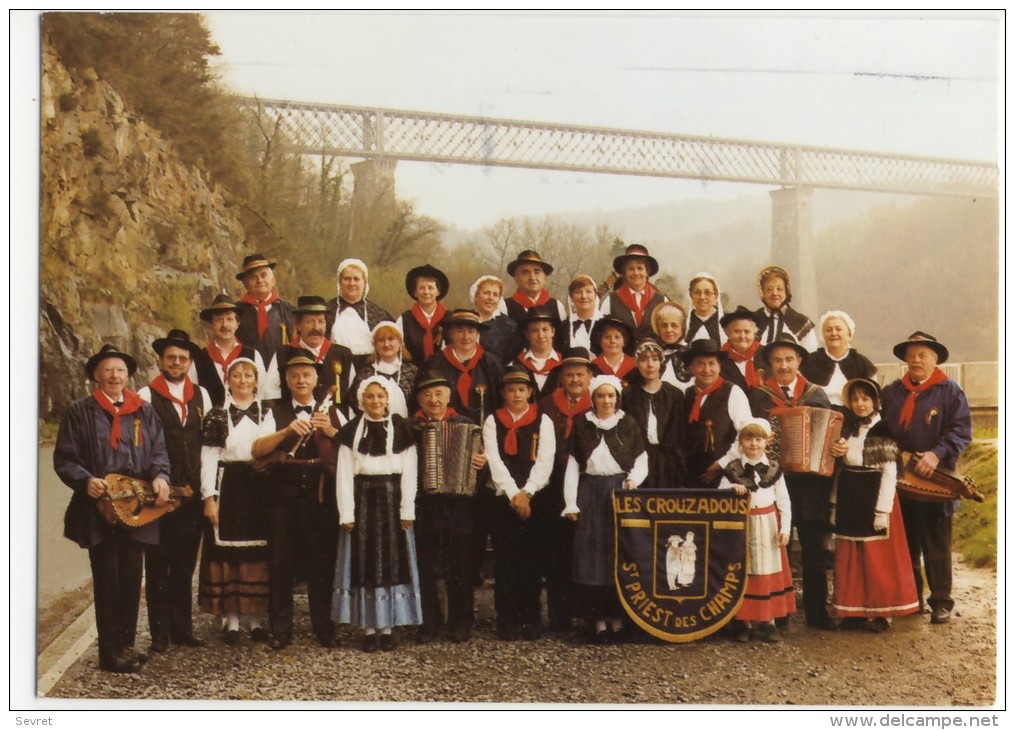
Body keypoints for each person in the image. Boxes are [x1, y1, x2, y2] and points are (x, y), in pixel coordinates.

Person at [55, 344, 171, 673]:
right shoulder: (80, 411)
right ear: (96, 375)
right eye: (107, 370)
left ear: (127, 375)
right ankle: (110, 652)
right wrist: (84, 480)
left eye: (120, 370)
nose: (114, 376)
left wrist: (161, 477)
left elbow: (158, 452)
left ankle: (126, 645)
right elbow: (64, 457)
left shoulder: (144, 411)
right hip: (100, 505)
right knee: (108, 578)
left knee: (133, 576)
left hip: (136, 504)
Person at [251, 352, 343, 649]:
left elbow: (351, 447)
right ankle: (281, 629)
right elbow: (257, 449)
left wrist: (330, 430)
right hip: (283, 497)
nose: (301, 380)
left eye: (306, 375)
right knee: (281, 564)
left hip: (320, 496)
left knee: (322, 564)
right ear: (287, 381)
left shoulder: (333, 410)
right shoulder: (274, 411)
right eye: (294, 376)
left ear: (317, 379)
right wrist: (287, 430)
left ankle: (323, 627)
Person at [880, 332, 972, 625]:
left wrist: (935, 454)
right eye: (912, 354)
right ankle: (911, 598)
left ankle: (941, 601)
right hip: (900, 477)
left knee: (936, 542)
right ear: (905, 359)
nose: (916, 359)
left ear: (935, 358)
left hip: (936, 478)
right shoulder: (893, 391)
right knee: (905, 542)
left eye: (923, 354)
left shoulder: (950, 391)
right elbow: (880, 427)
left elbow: (960, 431)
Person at [748, 333, 836, 630]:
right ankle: (779, 610)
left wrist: (834, 446)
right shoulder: (760, 395)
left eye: (789, 359)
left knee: (814, 546)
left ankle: (816, 611)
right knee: (778, 544)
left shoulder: (816, 394)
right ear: (770, 364)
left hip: (810, 484)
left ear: (799, 361)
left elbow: (830, 433)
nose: (783, 365)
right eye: (777, 360)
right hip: (775, 479)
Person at [332, 377, 422, 652]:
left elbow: (410, 472)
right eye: (369, 397)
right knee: (364, 564)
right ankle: (369, 628)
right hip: (362, 501)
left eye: (380, 397)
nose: (375, 402)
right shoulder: (351, 432)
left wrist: (407, 508)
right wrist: (346, 513)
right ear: (362, 400)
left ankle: (387, 628)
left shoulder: (403, 430)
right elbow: (344, 475)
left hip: (393, 501)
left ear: (388, 399)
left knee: (393, 563)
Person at [137, 329, 211, 652]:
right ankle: (159, 634)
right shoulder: (146, 394)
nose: (177, 362)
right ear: (161, 360)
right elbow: (141, 446)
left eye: (182, 358)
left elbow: (207, 444)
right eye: (171, 357)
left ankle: (183, 628)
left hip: (192, 494)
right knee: (157, 564)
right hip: (161, 493)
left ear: (189, 361)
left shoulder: (202, 396)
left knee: (184, 565)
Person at [828, 378, 919, 632]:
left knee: (877, 559)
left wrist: (882, 511)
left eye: (865, 399)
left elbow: (890, 474)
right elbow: (841, 470)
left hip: (876, 497)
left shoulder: (883, 431)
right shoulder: (847, 430)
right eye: (855, 399)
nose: (859, 404)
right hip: (850, 496)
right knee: (851, 556)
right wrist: (834, 505)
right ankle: (853, 611)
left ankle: (881, 613)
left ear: (876, 402)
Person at [563, 374, 648, 644]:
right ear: (593, 398)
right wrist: (571, 502)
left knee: (619, 554)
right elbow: (573, 467)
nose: (606, 401)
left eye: (611, 396)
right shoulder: (583, 425)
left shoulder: (628, 424)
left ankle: (618, 619)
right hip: (591, 493)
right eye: (601, 396)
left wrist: (634, 479)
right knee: (593, 555)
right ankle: (598, 621)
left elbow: (641, 458)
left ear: (617, 398)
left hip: (620, 493)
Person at [197, 357, 275, 645]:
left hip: (258, 485)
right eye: (237, 375)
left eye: (248, 375)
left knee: (257, 552)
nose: (242, 380)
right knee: (226, 554)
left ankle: (255, 620)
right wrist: (209, 497)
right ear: (228, 380)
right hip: (227, 484)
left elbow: (269, 448)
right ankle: (230, 621)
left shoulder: (267, 411)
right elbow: (208, 459)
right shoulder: (217, 415)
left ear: (257, 380)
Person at [411, 372, 487, 643]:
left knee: (460, 565)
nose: (434, 400)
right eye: (427, 395)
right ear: (419, 400)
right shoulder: (412, 427)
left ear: (449, 397)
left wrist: (481, 462)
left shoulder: (465, 424)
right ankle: (428, 623)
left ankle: (461, 622)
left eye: (439, 394)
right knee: (426, 565)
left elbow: (481, 461)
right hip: (424, 504)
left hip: (458, 504)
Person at [483, 368, 556, 640]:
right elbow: (494, 460)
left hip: (535, 497)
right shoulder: (493, 420)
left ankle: (531, 617)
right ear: (503, 393)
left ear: (530, 392)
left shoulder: (543, 420)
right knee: (506, 561)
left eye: (521, 390)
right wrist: (514, 494)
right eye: (511, 390)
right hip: (504, 498)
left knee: (532, 560)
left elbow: (545, 460)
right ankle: (507, 619)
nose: (516, 394)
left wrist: (528, 492)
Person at [719, 419, 795, 643]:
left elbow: (784, 501)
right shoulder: (732, 469)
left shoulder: (773, 468)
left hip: (768, 523)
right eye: (748, 439)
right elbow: (719, 492)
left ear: (766, 442)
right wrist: (732, 487)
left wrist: (785, 528)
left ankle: (768, 621)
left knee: (767, 571)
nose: (754, 444)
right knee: (747, 570)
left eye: (758, 439)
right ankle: (745, 621)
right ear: (741, 443)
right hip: (744, 525)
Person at [536, 347, 595, 635]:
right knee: (556, 549)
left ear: (590, 377)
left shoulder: (599, 403)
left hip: (586, 483)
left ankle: (584, 613)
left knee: (583, 547)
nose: (575, 379)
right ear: (561, 377)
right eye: (569, 374)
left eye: (580, 374)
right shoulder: (546, 404)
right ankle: (558, 615)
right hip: (553, 482)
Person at [681, 339, 752, 486]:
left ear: (719, 366)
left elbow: (746, 434)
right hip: (692, 477)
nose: (707, 370)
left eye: (712, 363)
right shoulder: (687, 394)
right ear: (691, 367)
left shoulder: (733, 392)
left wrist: (721, 464)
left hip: (727, 476)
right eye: (700, 363)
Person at [622, 339, 686, 488]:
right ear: (637, 364)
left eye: (655, 359)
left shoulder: (674, 394)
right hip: (638, 464)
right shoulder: (628, 396)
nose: (650, 365)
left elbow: (679, 436)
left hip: (669, 466)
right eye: (644, 360)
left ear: (660, 363)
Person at [423, 309, 505, 423]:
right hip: (443, 433)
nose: (466, 337)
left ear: (477, 334)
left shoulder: (491, 364)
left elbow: (502, 404)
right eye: (460, 331)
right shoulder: (434, 364)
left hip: (484, 433)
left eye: (471, 331)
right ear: (450, 333)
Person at [234, 253, 296, 400]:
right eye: (253, 277)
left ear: (273, 279)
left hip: (283, 382)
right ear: (245, 283)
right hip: (247, 382)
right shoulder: (235, 313)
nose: (259, 280)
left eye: (264, 275)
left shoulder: (290, 311)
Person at [192, 294, 266, 407]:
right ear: (211, 325)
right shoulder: (198, 359)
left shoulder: (253, 355)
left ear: (237, 323)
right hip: (212, 422)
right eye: (219, 320)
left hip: (248, 420)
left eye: (230, 319)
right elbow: (194, 397)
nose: (225, 325)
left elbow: (262, 393)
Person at [325, 258, 395, 370]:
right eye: (347, 279)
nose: (352, 283)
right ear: (340, 282)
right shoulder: (327, 310)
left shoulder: (377, 313)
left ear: (364, 282)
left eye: (356, 279)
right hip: (336, 368)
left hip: (370, 369)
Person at [800, 310, 877, 409]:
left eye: (838, 329)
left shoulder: (862, 363)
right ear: (822, 335)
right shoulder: (809, 361)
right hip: (819, 415)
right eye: (828, 330)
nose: (833, 333)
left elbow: (873, 399)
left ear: (849, 334)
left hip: (853, 419)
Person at [287, 295, 354, 405]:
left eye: (321, 321)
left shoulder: (343, 354)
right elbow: (272, 393)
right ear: (298, 325)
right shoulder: (284, 354)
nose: (316, 327)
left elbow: (352, 393)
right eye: (310, 322)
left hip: (333, 419)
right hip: (293, 419)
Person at [601, 243, 669, 342]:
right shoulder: (611, 300)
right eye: (631, 269)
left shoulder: (661, 300)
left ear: (647, 272)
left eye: (640, 268)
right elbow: (602, 332)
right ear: (624, 272)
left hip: (652, 356)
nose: (636, 273)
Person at [348, 322, 418, 418]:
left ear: (400, 343)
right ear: (375, 345)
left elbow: (418, 403)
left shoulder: (411, 371)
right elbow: (355, 404)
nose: (386, 344)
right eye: (381, 340)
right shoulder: (366, 373)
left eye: (391, 339)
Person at [503, 250, 568, 353]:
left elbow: (563, 342)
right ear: (515, 278)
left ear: (545, 277)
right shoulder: (504, 307)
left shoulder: (556, 306)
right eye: (525, 272)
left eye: (537, 271)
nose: (532, 277)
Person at [754, 265, 818, 352]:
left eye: (779, 289)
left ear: (786, 291)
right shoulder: (751, 321)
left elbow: (810, 357)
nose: (774, 293)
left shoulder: (802, 324)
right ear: (762, 293)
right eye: (769, 289)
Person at [397, 264, 449, 367]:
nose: (426, 292)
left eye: (430, 288)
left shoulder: (450, 318)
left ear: (438, 291)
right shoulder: (404, 320)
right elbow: (397, 349)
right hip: (413, 375)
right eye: (421, 288)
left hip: (444, 375)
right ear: (415, 292)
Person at [509, 305, 563, 400]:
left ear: (553, 331)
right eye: (534, 330)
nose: (541, 336)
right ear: (527, 334)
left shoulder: (564, 363)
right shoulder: (516, 364)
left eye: (545, 329)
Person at [470, 274, 515, 364]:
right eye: (486, 293)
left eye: (495, 295)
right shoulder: (465, 319)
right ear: (475, 296)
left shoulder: (509, 326)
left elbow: (510, 361)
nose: (490, 298)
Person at [719, 305, 765, 392]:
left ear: (754, 334)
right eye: (737, 331)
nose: (742, 336)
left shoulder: (767, 355)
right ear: (727, 333)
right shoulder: (719, 360)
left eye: (747, 332)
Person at [651, 300, 693, 392]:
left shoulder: (693, 353)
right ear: (658, 329)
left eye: (674, 325)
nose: (669, 330)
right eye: (664, 326)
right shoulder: (653, 353)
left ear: (682, 328)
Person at [683, 273, 726, 347]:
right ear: (691, 296)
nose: (702, 297)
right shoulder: (684, 323)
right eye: (697, 293)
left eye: (707, 292)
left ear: (715, 296)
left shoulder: (726, 323)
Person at [590, 315, 636, 381]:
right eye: (607, 337)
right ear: (599, 341)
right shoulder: (593, 367)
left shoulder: (634, 366)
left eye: (617, 337)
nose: (612, 341)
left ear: (625, 341)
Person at [566, 274, 603, 351]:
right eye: (578, 292)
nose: (584, 296)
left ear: (595, 295)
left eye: (588, 291)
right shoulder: (564, 326)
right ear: (571, 297)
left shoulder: (607, 324)